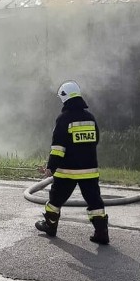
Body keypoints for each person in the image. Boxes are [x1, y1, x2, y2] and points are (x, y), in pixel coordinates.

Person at [35, 81, 109, 245]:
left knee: (55, 200)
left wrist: (50, 167)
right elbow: (95, 140)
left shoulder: (64, 119)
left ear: (64, 97)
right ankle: (101, 232)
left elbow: (58, 148)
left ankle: (50, 225)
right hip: (90, 170)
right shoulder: (90, 118)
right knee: (94, 201)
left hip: (67, 171)